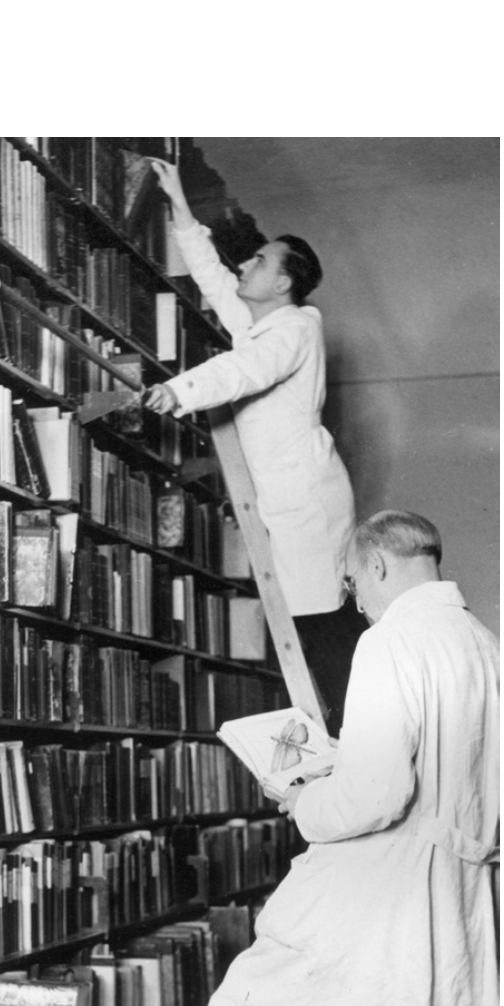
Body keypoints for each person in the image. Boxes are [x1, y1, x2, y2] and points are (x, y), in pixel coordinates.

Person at [144, 510, 500, 1006]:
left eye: (351, 585)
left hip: (373, 894)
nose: (355, 603)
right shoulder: (487, 647)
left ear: (377, 567)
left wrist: (303, 797)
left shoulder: (391, 642)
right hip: (455, 902)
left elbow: (376, 794)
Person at [144, 158, 364, 733]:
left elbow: (248, 369)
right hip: (285, 502)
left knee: (320, 628)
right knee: (305, 628)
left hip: (308, 503)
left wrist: (179, 390)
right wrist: (180, 205)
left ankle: (358, 736)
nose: (248, 263)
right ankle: (345, 732)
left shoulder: (294, 330)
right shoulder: (262, 322)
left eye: (261, 261)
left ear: (285, 282)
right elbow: (213, 276)